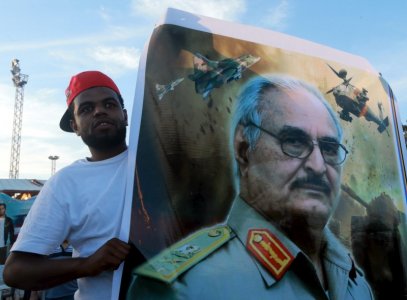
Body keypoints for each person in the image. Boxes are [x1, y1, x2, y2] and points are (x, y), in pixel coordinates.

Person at [127, 75, 374, 299]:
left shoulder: (356, 283)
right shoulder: (183, 287)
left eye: (329, 149)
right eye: (294, 142)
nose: (318, 166)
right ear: (244, 150)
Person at [3, 71, 131, 299]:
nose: (99, 111)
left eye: (109, 104)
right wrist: (88, 264)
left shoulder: (159, 163)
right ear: (75, 127)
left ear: (125, 115)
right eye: (86, 109)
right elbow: (15, 271)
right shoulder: (65, 183)